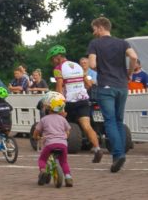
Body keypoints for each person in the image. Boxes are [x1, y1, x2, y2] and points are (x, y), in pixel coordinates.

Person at [88, 17, 138, 172]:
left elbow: (92, 64)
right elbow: (134, 57)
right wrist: (129, 73)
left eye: (94, 28)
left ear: (100, 27)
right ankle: (119, 155)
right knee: (118, 121)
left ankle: (118, 154)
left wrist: (102, 70)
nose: (93, 32)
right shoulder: (123, 43)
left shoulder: (95, 44)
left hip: (106, 86)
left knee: (109, 121)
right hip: (122, 86)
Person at [48, 45, 103, 163]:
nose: (52, 62)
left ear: (58, 57)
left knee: (60, 124)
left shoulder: (58, 68)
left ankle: (57, 151)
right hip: (83, 100)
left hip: (69, 102)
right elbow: (88, 84)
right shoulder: (78, 66)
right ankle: (97, 148)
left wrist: (59, 102)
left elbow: (59, 87)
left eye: (52, 59)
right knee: (87, 126)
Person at [33, 92, 73, 187]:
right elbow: (68, 131)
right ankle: (68, 178)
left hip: (49, 144)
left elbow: (36, 132)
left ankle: (43, 171)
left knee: (42, 159)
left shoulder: (44, 119)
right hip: (63, 144)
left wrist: (37, 137)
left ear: (48, 108)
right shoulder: (63, 119)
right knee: (63, 162)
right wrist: (65, 137)